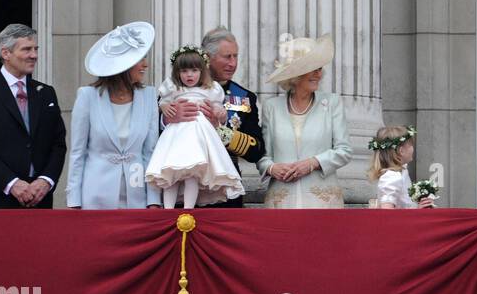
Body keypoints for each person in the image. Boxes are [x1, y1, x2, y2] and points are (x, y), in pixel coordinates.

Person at [0, 23, 67, 208]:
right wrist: (12, 183)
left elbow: (58, 143)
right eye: (27, 49)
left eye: (36, 49)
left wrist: (46, 180)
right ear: (6, 53)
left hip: (40, 199)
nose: (34, 55)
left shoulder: (46, 93)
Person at [162, 27, 266, 208]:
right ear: (207, 58)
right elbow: (154, 134)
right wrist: (168, 119)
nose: (233, 63)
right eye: (227, 57)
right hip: (182, 189)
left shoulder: (243, 97)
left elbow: (257, 150)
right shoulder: (177, 91)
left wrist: (219, 131)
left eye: (236, 56)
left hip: (224, 193)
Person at [67, 22, 162, 209]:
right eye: (140, 59)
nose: (145, 65)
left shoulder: (149, 96)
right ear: (123, 65)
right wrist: (74, 200)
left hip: (137, 199)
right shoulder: (88, 97)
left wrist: (153, 199)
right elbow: (78, 152)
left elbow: (149, 153)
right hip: (95, 198)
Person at [257, 34, 351, 208]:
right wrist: (272, 168)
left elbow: (344, 150)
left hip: (323, 202)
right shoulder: (272, 107)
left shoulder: (332, 103)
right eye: (314, 69)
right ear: (296, 73)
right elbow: (263, 156)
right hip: (282, 202)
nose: (319, 74)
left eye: (320, 69)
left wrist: (312, 163)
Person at [146, 46, 243, 208]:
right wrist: (164, 108)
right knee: (171, 173)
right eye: (184, 71)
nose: (189, 75)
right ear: (177, 73)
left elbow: (219, 108)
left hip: (198, 137)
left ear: (202, 71)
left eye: (194, 70)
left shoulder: (211, 89)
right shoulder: (173, 88)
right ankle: (168, 210)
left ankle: (188, 209)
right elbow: (162, 102)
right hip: (175, 135)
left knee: (192, 175)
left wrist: (220, 114)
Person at [368, 125, 435, 209]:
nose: (413, 148)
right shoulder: (392, 176)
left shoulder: (401, 172)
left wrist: (419, 208)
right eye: (411, 145)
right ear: (401, 151)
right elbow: (387, 214)